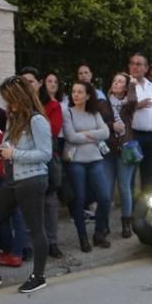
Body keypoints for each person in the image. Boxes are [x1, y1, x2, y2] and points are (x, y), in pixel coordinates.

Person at [0, 75, 53, 293]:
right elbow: (11, 148)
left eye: (9, 98)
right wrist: (1, 151)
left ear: (20, 97)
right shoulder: (13, 118)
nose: (7, 103)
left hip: (32, 179)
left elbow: (45, 154)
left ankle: (39, 275)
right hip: (13, 179)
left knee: (35, 228)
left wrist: (12, 152)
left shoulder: (37, 120)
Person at [19, 67, 65, 259]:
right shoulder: (17, 107)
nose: (28, 85)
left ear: (38, 84)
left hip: (47, 158)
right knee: (28, 205)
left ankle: (52, 242)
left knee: (49, 202)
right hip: (24, 159)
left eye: (31, 81)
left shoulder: (51, 105)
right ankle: (29, 245)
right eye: (24, 82)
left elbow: (52, 130)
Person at [62, 81, 112, 251]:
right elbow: (71, 137)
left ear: (88, 95)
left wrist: (84, 134)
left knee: (104, 198)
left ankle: (99, 233)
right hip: (76, 162)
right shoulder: (67, 113)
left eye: (80, 92)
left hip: (95, 159)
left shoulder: (94, 113)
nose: (76, 94)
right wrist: (93, 136)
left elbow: (105, 132)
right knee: (80, 200)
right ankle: (82, 237)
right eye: (74, 91)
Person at [101, 72, 137, 238]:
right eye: (115, 80)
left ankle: (126, 224)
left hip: (125, 150)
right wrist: (111, 125)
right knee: (106, 190)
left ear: (125, 87)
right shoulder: (104, 103)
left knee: (124, 188)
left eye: (120, 82)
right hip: (108, 151)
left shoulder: (127, 105)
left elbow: (133, 101)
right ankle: (104, 224)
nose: (116, 83)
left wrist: (132, 85)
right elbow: (99, 122)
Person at [129, 54, 152, 192]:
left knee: (150, 173)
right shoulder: (126, 84)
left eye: (139, 64)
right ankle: (130, 209)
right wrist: (137, 105)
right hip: (134, 135)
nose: (135, 67)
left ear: (146, 68)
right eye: (132, 63)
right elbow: (119, 109)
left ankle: (146, 208)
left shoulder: (151, 86)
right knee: (131, 174)